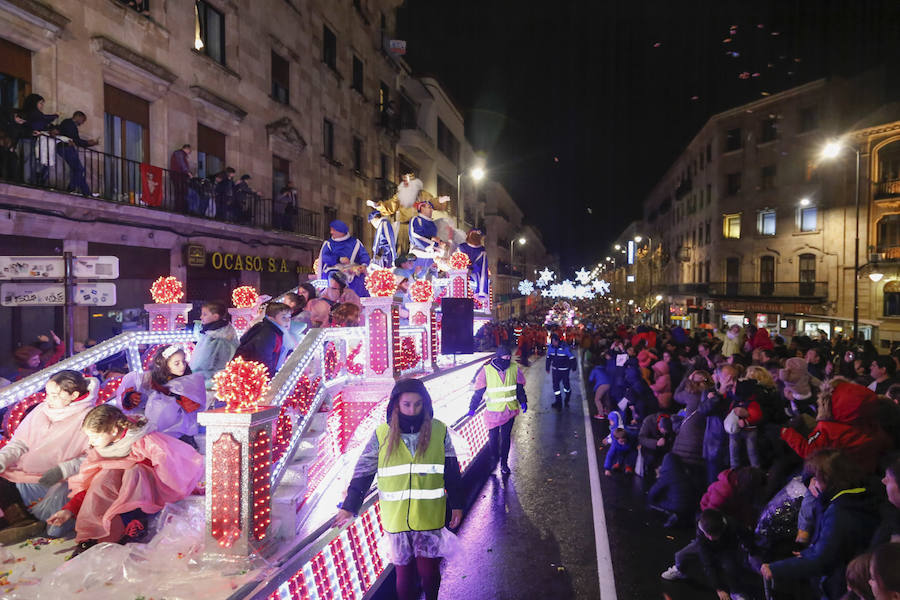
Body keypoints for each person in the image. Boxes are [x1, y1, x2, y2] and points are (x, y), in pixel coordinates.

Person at [334, 379, 463, 600]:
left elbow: (451, 471)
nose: (412, 410)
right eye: (407, 404)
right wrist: (350, 507)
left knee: (429, 572)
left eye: (417, 404)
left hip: (429, 516)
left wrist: (457, 504)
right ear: (396, 405)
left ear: (425, 404)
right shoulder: (381, 435)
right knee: (403, 575)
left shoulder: (439, 431)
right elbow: (363, 472)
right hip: (396, 519)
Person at [46, 404, 203, 557]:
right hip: (115, 491)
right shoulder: (102, 451)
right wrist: (69, 509)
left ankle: (134, 523)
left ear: (113, 431)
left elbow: (167, 464)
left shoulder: (144, 441)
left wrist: (174, 486)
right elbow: (94, 488)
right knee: (105, 475)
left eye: (94, 436)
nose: (90, 442)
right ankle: (91, 537)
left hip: (144, 492)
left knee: (133, 472)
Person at [761, 449, 880, 599]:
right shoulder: (855, 494)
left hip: (838, 585)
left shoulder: (840, 512)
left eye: (816, 479)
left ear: (829, 479)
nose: (813, 484)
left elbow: (823, 560)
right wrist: (810, 552)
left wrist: (776, 569)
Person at [0, 370, 97, 544]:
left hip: (54, 480)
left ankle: (30, 522)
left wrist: (62, 470)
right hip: (22, 474)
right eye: (47, 393)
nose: (47, 399)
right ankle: (20, 521)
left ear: (73, 395)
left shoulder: (89, 416)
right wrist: (3, 458)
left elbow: (93, 456)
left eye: (54, 395)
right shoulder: (41, 410)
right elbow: (19, 443)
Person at [116, 346, 206, 446]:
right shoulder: (151, 379)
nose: (182, 366)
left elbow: (193, 405)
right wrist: (132, 397)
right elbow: (134, 389)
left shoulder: (188, 380)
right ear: (164, 364)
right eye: (177, 363)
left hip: (180, 421)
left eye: (183, 362)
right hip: (157, 416)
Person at [661, 509, 759, 599]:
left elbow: (746, 535)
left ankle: (736, 591)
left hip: (726, 548)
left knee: (731, 568)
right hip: (704, 545)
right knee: (680, 555)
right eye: (707, 535)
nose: (711, 538)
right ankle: (679, 570)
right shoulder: (702, 530)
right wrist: (719, 588)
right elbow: (708, 563)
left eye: (713, 535)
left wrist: (751, 550)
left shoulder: (733, 524)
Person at [467, 344, 527, 474]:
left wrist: (523, 401)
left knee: (505, 438)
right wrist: (472, 408)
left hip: (509, 411)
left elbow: (519, 388)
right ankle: (494, 458)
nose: (507, 360)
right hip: (493, 412)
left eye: (509, 357)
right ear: (499, 357)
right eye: (505, 357)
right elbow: (478, 392)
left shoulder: (514, 368)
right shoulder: (486, 370)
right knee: (493, 439)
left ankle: (504, 463)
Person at [235, 301, 293, 375]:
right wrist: (274, 377)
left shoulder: (275, 330)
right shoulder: (268, 335)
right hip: (247, 375)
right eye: (283, 317)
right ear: (271, 318)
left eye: (289, 317)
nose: (288, 321)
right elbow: (263, 362)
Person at [317, 219, 371, 298]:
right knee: (335, 278)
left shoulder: (355, 242)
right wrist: (338, 259)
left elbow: (364, 255)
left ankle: (357, 300)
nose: (331, 232)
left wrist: (363, 265)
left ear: (341, 232)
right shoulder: (328, 244)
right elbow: (325, 257)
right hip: (333, 270)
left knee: (359, 279)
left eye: (333, 230)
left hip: (353, 270)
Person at [189, 301, 238, 385]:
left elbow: (202, 362)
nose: (201, 317)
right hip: (217, 378)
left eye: (205, 314)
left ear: (215, 317)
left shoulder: (215, 337)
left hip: (210, 380)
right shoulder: (215, 332)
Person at [56, 111, 98, 196]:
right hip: (66, 147)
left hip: (66, 147)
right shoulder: (69, 123)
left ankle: (87, 192)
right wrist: (87, 143)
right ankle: (71, 189)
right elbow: (75, 139)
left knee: (77, 171)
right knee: (79, 169)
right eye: (83, 120)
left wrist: (87, 143)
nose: (82, 123)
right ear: (78, 116)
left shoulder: (69, 123)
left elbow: (76, 140)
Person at [20, 93, 57, 184]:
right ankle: (28, 181)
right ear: (34, 103)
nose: (42, 106)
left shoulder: (36, 115)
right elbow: (43, 118)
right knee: (29, 160)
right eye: (41, 103)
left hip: (34, 140)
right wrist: (55, 115)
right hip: (27, 139)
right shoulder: (32, 113)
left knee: (34, 161)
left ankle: (33, 181)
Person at [409, 200, 442, 273]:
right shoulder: (416, 220)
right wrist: (431, 241)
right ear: (422, 208)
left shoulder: (432, 223)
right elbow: (415, 235)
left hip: (431, 257)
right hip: (419, 256)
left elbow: (434, 238)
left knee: (432, 279)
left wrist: (440, 243)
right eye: (429, 207)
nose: (431, 210)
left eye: (431, 208)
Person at [546, 333, 577, 409]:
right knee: (556, 387)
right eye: (552, 341)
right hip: (555, 371)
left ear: (557, 341)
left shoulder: (565, 348)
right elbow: (548, 358)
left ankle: (567, 399)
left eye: (554, 341)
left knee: (566, 387)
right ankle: (558, 402)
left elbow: (572, 358)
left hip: (564, 371)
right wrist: (547, 368)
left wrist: (573, 367)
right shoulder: (551, 348)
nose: (553, 343)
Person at [456, 229, 488, 299]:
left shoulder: (481, 250)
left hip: (469, 276)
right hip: (464, 275)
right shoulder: (462, 247)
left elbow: (482, 267)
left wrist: (470, 269)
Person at [169, 144, 193, 212]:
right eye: (190, 150)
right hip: (178, 175)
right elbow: (182, 163)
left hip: (179, 176)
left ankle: (180, 208)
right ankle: (179, 208)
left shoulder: (180, 154)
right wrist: (188, 173)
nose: (190, 152)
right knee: (180, 192)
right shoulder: (179, 153)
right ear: (187, 149)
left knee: (181, 192)